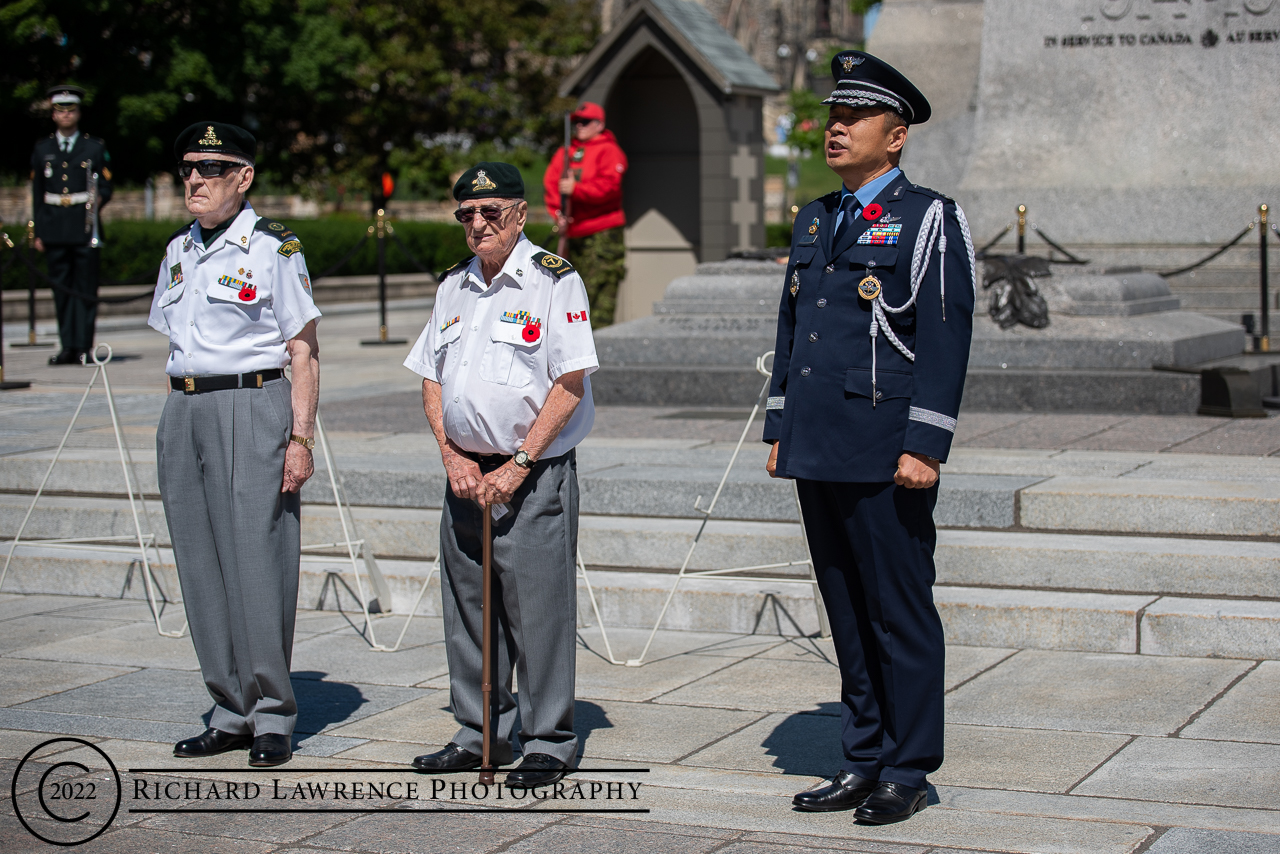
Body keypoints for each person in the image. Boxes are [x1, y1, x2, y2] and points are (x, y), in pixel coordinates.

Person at [764, 51, 976, 824]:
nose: (837, 126)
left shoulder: (928, 219)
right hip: (820, 443)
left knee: (899, 610)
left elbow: (946, 339)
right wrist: (781, 425)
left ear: (898, 137)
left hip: (888, 449)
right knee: (846, 609)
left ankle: (908, 767)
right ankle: (862, 759)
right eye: (833, 115)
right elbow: (796, 330)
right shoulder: (817, 216)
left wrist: (926, 445)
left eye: (855, 117)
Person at [406, 161, 597, 786]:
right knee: (469, 609)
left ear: (520, 215)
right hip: (464, 473)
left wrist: (518, 464)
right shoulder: (453, 286)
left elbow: (570, 383)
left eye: (491, 212)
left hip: (531, 472)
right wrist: (449, 453)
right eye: (467, 214)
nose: (478, 223)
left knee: (536, 608)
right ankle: (479, 729)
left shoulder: (552, 281)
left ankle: (548, 738)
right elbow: (432, 376)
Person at [148, 122, 321, 768]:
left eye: (211, 168)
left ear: (243, 177)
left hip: (252, 403)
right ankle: (229, 708)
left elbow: (303, 351)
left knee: (258, 559)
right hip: (184, 406)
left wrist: (300, 437)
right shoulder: (177, 251)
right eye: (188, 167)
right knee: (200, 563)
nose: (194, 178)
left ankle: (273, 712)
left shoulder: (274, 249)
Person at [29, 84, 113, 365]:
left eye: (71, 110)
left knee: (85, 290)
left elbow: (106, 187)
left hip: (84, 227)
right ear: (53, 114)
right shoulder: (43, 149)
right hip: (54, 227)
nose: (65, 115)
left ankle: (83, 348)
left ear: (77, 113)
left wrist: (94, 206)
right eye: (59, 110)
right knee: (61, 291)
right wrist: (39, 231)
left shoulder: (94, 147)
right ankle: (67, 346)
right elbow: (37, 193)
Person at [542, 101, 627, 326]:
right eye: (576, 122)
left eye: (585, 122)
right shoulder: (565, 152)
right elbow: (551, 184)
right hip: (573, 232)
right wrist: (557, 213)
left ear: (599, 124)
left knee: (598, 292)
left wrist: (577, 190)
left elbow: (610, 186)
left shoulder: (609, 150)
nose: (579, 126)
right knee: (571, 292)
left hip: (602, 232)